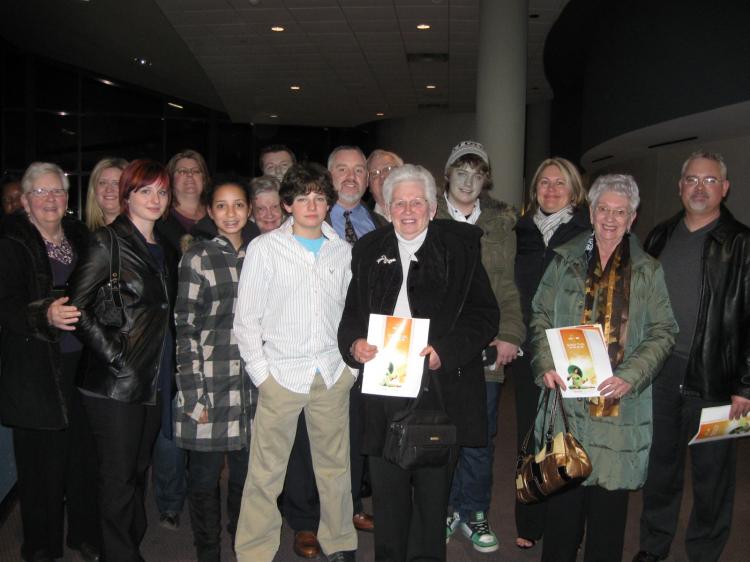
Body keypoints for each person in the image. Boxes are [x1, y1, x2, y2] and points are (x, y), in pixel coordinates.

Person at [338, 164, 499, 562]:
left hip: (438, 395)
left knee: (431, 503)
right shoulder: (369, 249)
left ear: (431, 207)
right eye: (399, 203)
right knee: (388, 502)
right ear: (387, 207)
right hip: (382, 393)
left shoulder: (459, 250)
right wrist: (354, 344)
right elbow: (351, 316)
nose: (408, 210)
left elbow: (484, 315)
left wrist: (446, 349)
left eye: (416, 202)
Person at [530, 173, 677, 562]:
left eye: (621, 212)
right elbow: (540, 315)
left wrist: (631, 376)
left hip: (619, 408)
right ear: (591, 212)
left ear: (633, 218)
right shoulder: (564, 260)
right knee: (562, 510)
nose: (611, 219)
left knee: (608, 521)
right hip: (569, 404)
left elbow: (664, 332)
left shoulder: (648, 270)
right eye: (603, 209)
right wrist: (545, 363)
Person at [234, 162, 357, 562]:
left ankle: (339, 542)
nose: (311, 205)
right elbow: (246, 320)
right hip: (281, 375)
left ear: (329, 203)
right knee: (265, 474)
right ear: (287, 203)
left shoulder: (343, 250)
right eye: (302, 197)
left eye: (320, 197)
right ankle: (254, 551)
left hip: (331, 373)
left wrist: (350, 372)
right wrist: (263, 377)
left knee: (335, 469)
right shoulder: (265, 248)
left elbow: (352, 312)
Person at [634, 152, 750, 562]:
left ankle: (704, 552)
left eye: (710, 181)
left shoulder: (742, 242)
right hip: (661, 374)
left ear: (725, 188)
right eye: (692, 180)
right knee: (660, 468)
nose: (700, 188)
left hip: (717, 382)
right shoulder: (659, 236)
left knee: (713, 476)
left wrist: (746, 385)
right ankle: (654, 545)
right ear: (679, 186)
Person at [68, 159, 176, 562]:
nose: (155, 199)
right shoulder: (107, 242)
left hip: (152, 379)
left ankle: (128, 545)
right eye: (145, 190)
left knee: (137, 471)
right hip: (113, 383)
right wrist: (116, 355)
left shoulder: (162, 247)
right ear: (128, 195)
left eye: (161, 192)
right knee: (117, 478)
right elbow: (76, 307)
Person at [0, 162, 100, 562]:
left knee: (82, 457)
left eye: (57, 192)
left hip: (82, 365)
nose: (50, 200)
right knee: (39, 466)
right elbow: (4, 305)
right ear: (25, 200)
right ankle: (41, 546)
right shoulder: (10, 240)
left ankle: (84, 534)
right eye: (40, 193)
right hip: (34, 369)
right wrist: (45, 314)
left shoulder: (79, 235)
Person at [436, 140, 524, 553]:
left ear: (485, 179)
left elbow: (507, 284)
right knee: (442, 431)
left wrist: (510, 334)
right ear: (447, 175)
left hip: (486, 342)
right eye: (460, 173)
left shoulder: (501, 222)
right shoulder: (428, 215)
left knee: (480, 434)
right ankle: (446, 507)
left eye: (476, 175)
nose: (468, 182)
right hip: (440, 347)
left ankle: (474, 511)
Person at [174, 178, 258, 562]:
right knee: (205, 478)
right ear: (210, 211)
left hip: (254, 383)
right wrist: (193, 393)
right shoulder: (198, 256)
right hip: (210, 380)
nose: (230, 213)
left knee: (246, 474)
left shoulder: (262, 254)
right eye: (221, 206)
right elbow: (184, 327)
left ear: (250, 210)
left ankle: (241, 541)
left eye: (238, 205)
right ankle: (207, 550)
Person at [513, 156, 590, 549]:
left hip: (571, 352)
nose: (552, 189)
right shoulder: (520, 231)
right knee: (530, 436)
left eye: (561, 183)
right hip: (528, 350)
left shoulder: (587, 233)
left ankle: (565, 527)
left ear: (574, 190)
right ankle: (529, 520)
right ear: (535, 189)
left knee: (567, 438)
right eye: (544, 182)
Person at [153, 148, 211, 529]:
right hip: (169, 333)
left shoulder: (221, 219)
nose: (189, 178)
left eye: (195, 171)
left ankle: (204, 495)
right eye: (181, 171)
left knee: (207, 417)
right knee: (171, 422)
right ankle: (170, 500)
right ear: (171, 179)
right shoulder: (158, 223)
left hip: (215, 333)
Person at [84, 157, 128, 230]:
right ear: (94, 190)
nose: (109, 190)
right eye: (102, 183)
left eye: (116, 183)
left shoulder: (144, 234)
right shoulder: (86, 236)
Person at [366, 149, 403, 218]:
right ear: (369, 186)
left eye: (388, 169)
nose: (382, 176)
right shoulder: (364, 221)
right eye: (374, 173)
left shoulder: (422, 209)